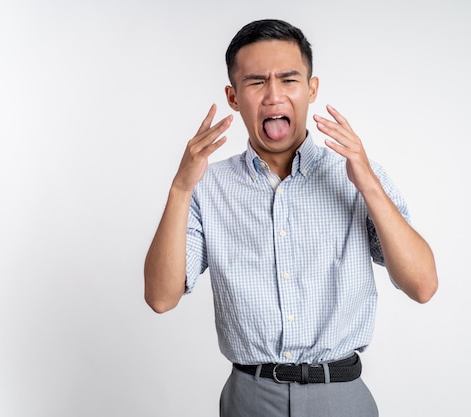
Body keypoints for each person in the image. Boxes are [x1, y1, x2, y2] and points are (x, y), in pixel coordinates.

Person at [144, 19, 437, 417]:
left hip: (341, 396)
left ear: (311, 89)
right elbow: (161, 298)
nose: (273, 95)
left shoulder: (357, 175)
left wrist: (366, 182)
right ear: (233, 96)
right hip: (249, 397)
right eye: (256, 82)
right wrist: (180, 188)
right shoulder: (205, 187)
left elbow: (422, 285)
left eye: (288, 79)